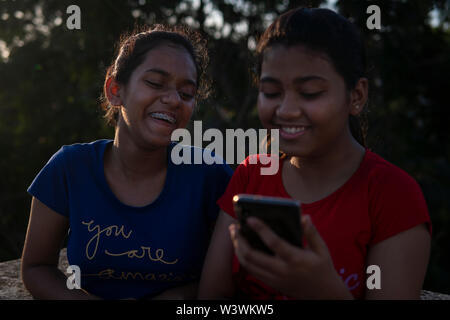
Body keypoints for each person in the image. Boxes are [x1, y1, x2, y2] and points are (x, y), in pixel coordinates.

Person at [198, 7, 431, 300]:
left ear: (356, 96)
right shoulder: (252, 174)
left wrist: (321, 291)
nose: (286, 110)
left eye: (309, 93)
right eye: (271, 92)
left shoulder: (392, 196)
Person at [21, 24, 233, 300]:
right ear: (115, 90)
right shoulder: (69, 169)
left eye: (186, 93)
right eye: (155, 83)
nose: (172, 99)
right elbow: (37, 267)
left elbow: (232, 278)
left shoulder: (211, 176)